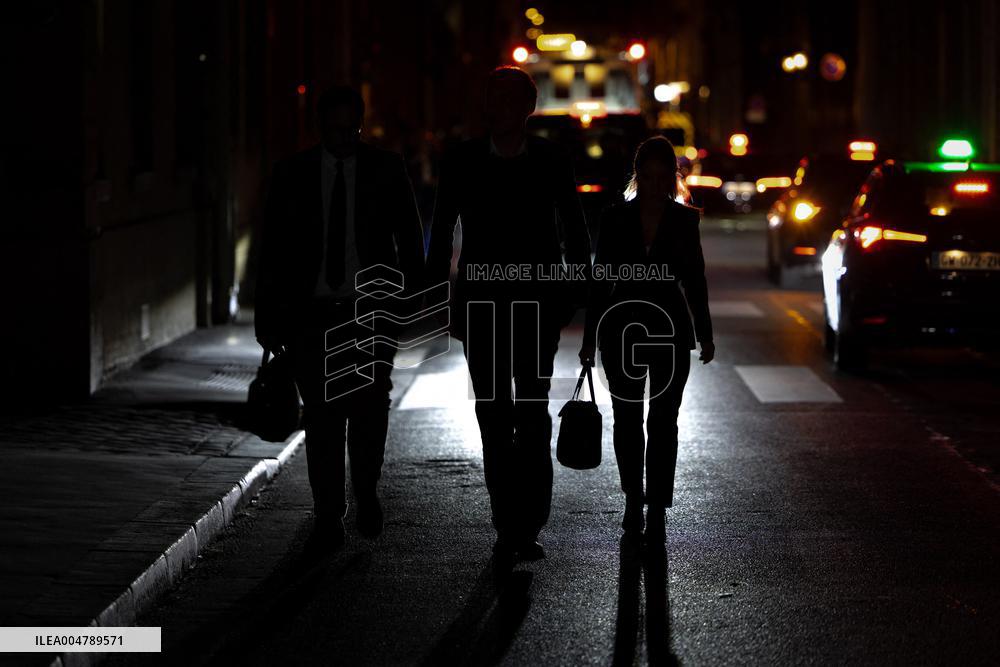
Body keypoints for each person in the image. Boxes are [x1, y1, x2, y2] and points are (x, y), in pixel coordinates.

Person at [426, 67, 592, 564]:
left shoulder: (551, 160)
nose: (499, 109)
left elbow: (574, 229)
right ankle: (506, 523)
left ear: (526, 109)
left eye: (508, 100)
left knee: (534, 412)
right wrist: (439, 300)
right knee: (494, 416)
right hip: (482, 307)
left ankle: (530, 521)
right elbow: (441, 231)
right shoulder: (462, 161)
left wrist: (578, 295)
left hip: (538, 306)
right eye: (492, 99)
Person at [255, 85, 425, 548]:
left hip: (370, 312)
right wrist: (267, 319)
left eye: (351, 128)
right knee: (323, 417)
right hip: (313, 315)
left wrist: (409, 306)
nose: (344, 138)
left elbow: (410, 241)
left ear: (360, 124)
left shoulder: (385, 169)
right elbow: (272, 249)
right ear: (320, 128)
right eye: (335, 130)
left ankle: (366, 489)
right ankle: (328, 512)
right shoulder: (293, 174)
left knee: (369, 409)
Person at [579, 136, 714, 539]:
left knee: (663, 421)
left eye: (662, 177)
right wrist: (589, 339)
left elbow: (695, 281)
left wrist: (705, 334)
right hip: (622, 331)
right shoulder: (616, 218)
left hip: (670, 331)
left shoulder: (685, 220)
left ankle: (656, 503)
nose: (655, 185)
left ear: (672, 178)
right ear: (638, 176)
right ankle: (633, 499)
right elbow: (600, 281)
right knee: (627, 420)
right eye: (648, 176)